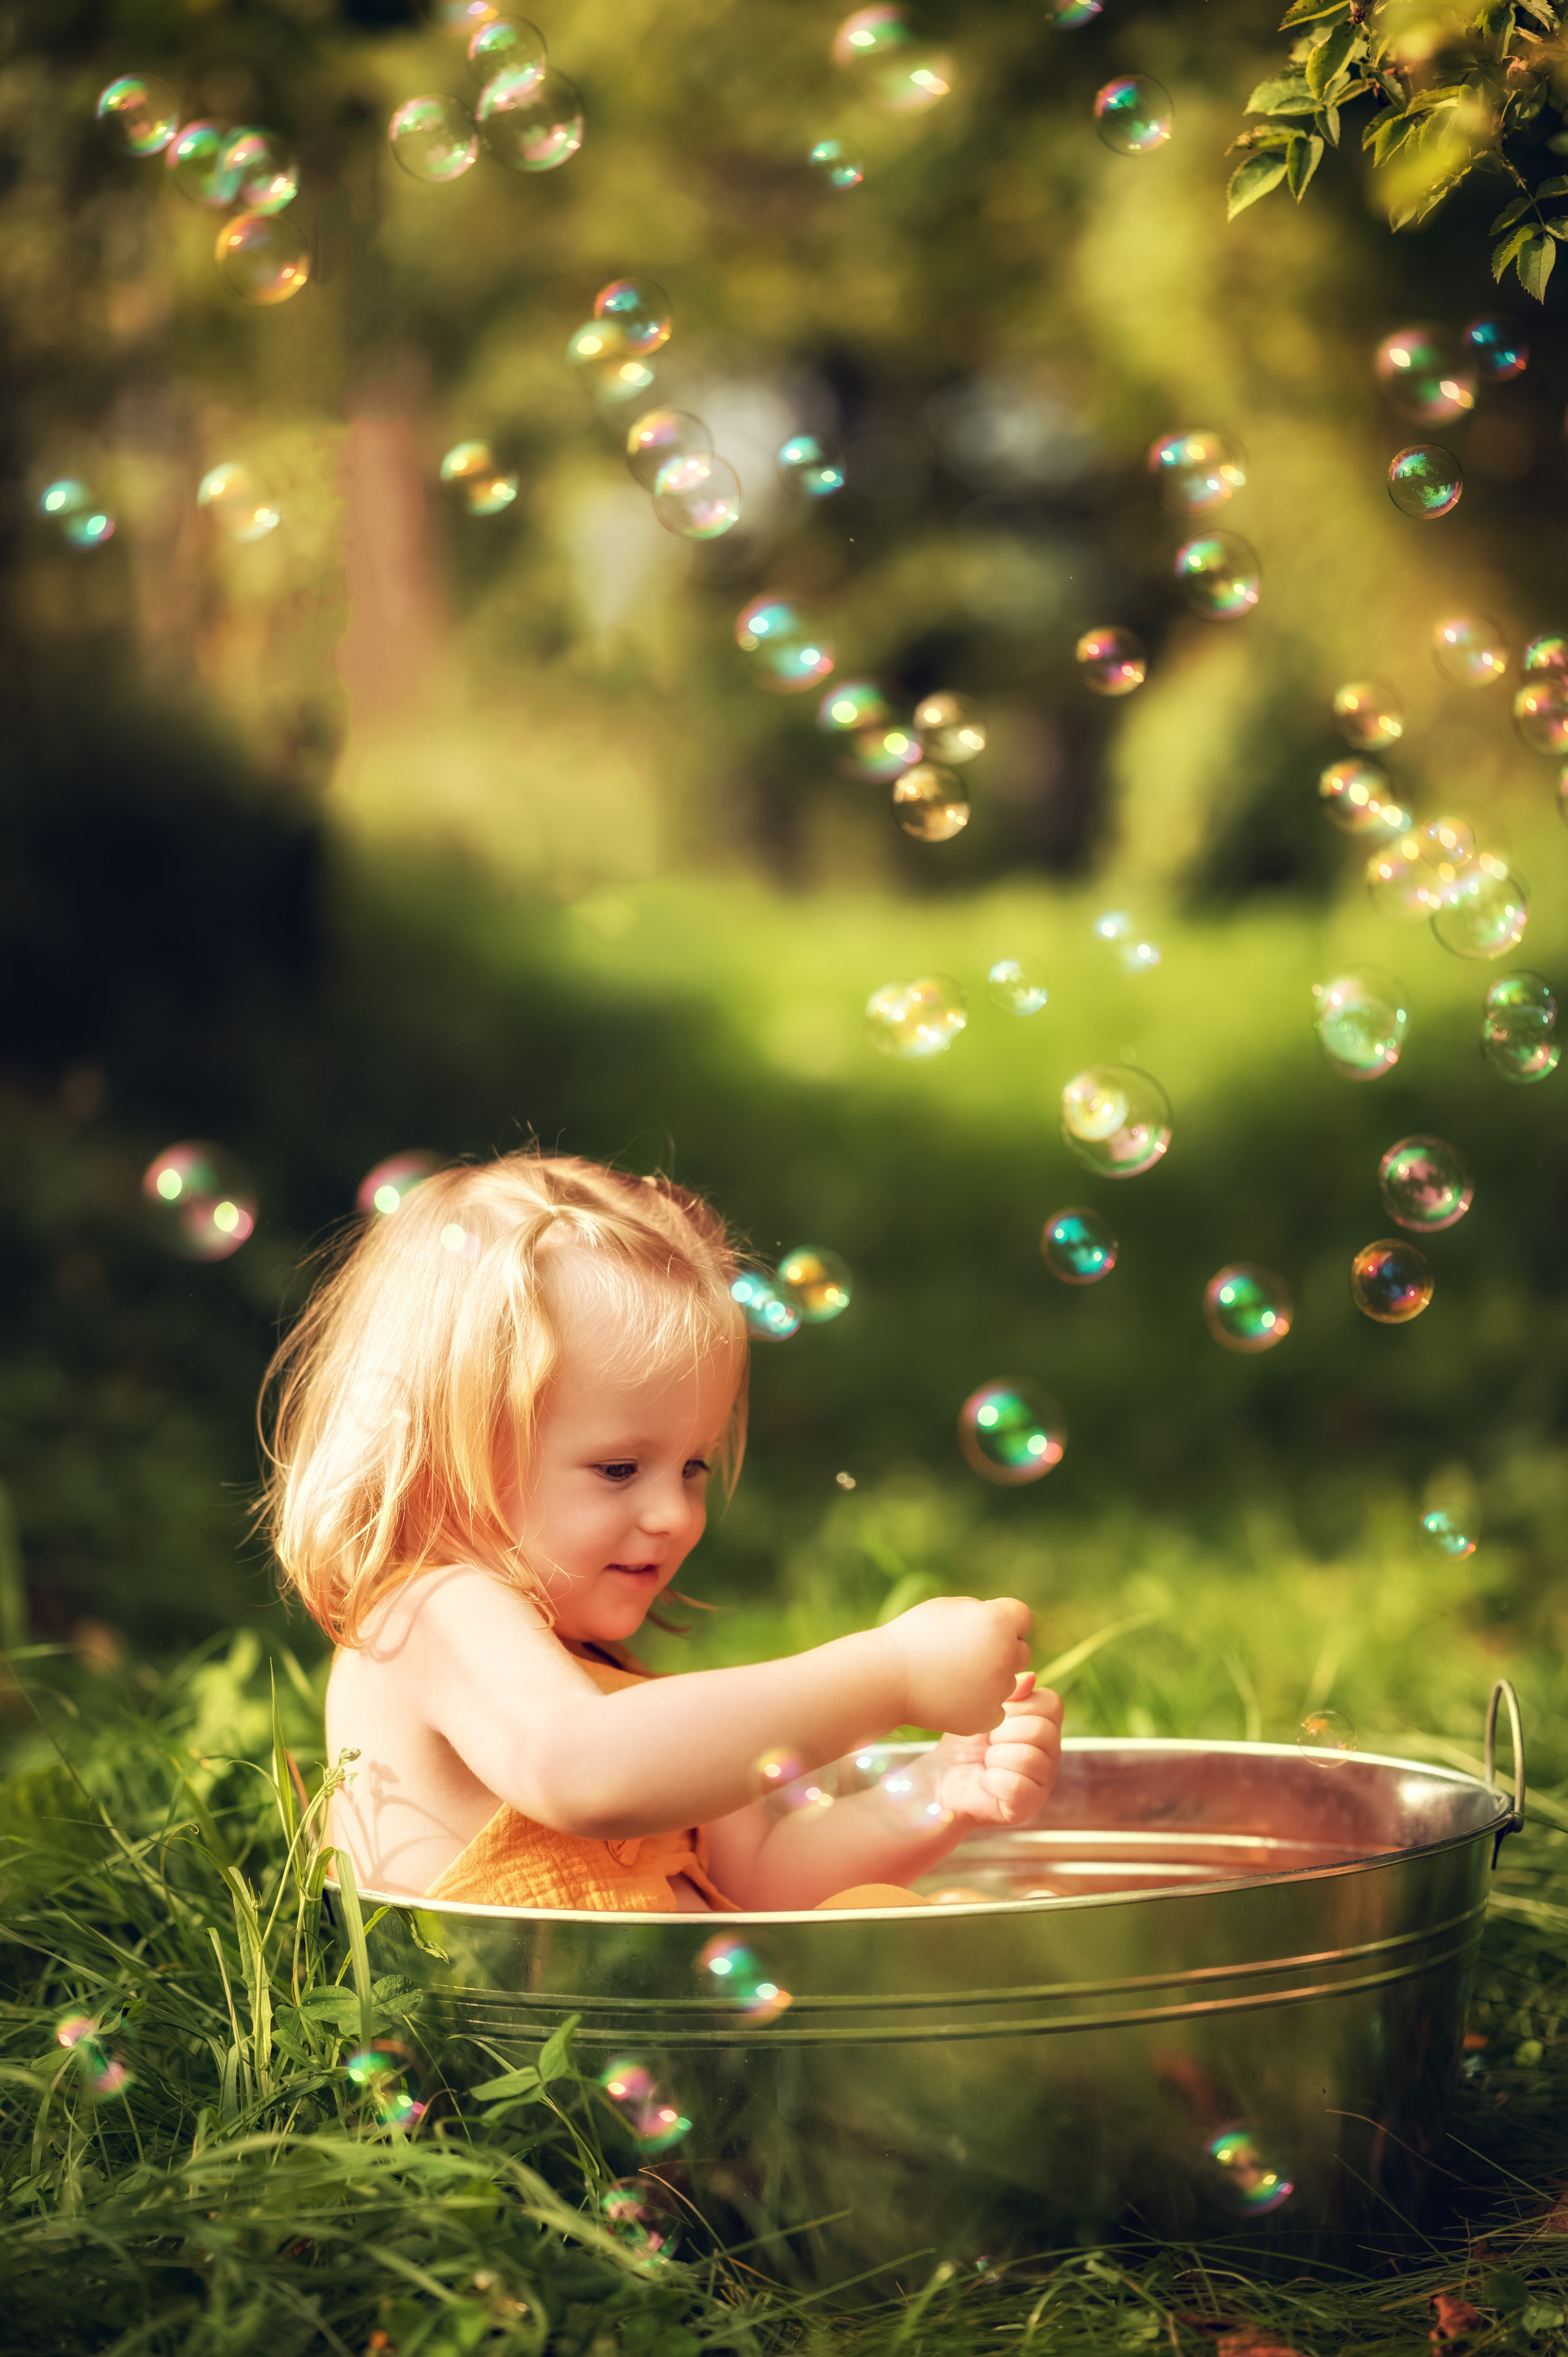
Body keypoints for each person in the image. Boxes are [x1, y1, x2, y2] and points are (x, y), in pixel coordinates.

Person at [264, 1152, 1063, 1914]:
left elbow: (762, 1883)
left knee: (897, 1925)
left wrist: (931, 1797)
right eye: (618, 1470)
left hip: (673, 2038)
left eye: (693, 1467)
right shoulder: (432, 1615)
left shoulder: (615, 1688)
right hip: (513, 2054)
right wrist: (892, 1674)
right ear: (444, 1456)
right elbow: (583, 1769)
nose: (676, 1515)